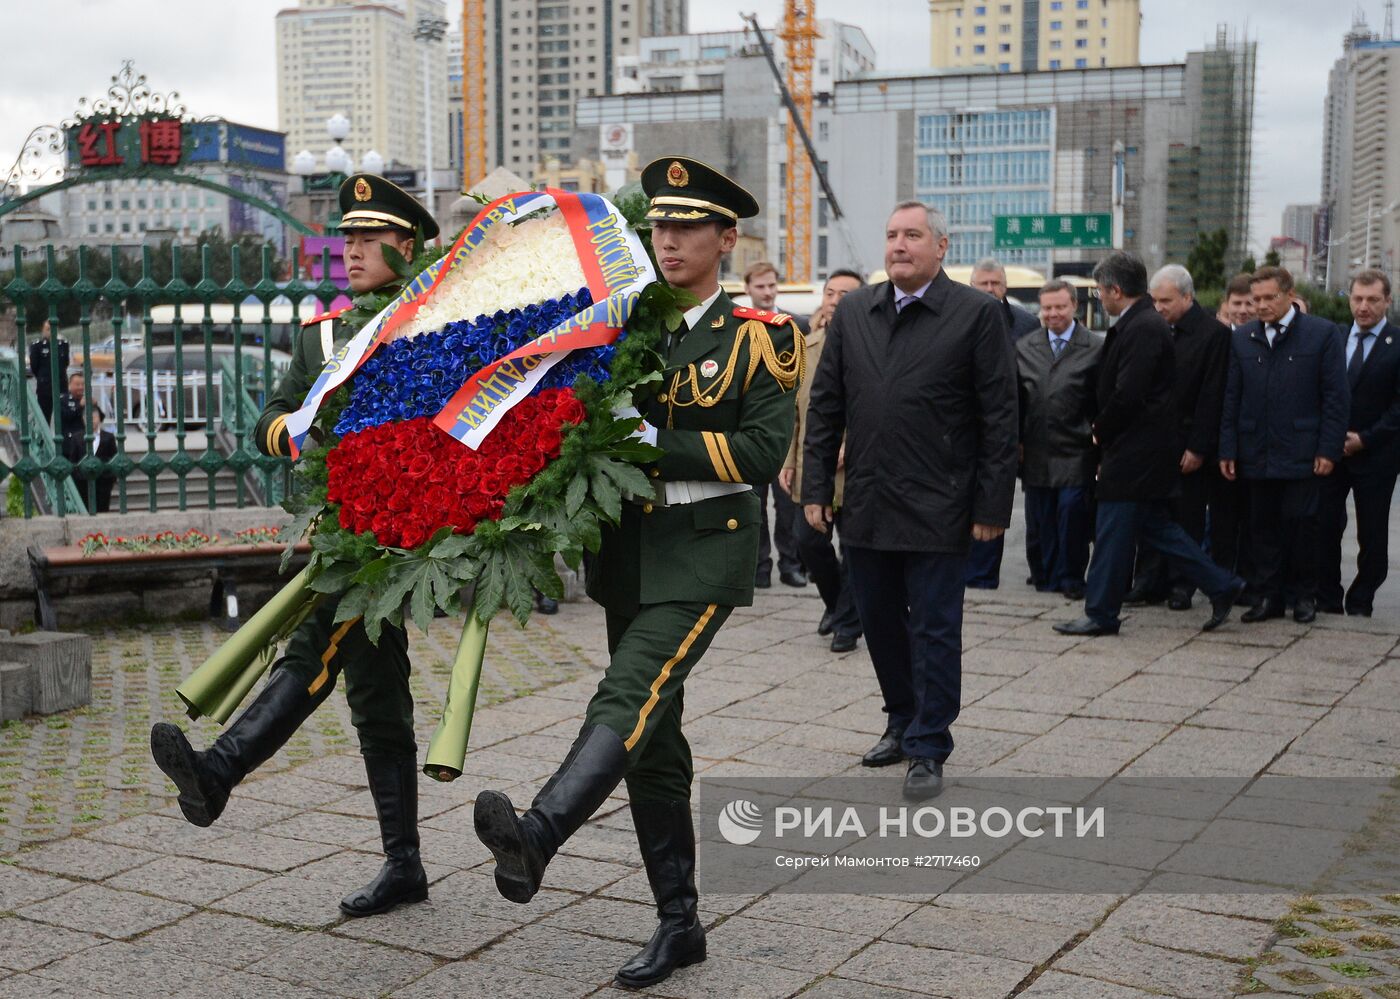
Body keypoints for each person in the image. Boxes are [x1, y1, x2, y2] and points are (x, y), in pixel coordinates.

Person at [472, 157, 801, 990]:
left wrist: (653, 446)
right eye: (661, 225)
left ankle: (541, 830)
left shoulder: (762, 338)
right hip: (626, 554)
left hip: (702, 549)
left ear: (728, 239)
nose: (670, 238)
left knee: (629, 694)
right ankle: (679, 922)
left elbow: (762, 451)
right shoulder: (621, 326)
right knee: (653, 742)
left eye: (690, 226)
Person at [150, 174, 439, 918]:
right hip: (342, 530)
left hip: (401, 540)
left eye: (370, 238)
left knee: (315, 652)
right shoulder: (321, 336)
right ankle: (403, 864)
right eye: (346, 237)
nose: (353, 249)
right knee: (377, 697)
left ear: (407, 246)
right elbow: (273, 413)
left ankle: (219, 770)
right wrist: (298, 433)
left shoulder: (434, 328)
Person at [803, 201, 1018, 800]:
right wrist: (817, 488)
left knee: (933, 628)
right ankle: (900, 720)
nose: (898, 245)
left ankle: (929, 744)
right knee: (878, 622)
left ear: (941, 247)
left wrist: (991, 508)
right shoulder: (856, 314)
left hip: (939, 503)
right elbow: (826, 408)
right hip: (868, 500)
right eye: (892, 234)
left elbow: (1000, 417)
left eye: (912, 235)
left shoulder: (976, 314)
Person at [1055, 252, 1245, 637]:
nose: (1100, 300)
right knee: (1158, 529)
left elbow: (1129, 393)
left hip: (1135, 452)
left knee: (1111, 533)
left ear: (1115, 290)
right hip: (1143, 450)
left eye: (1100, 292)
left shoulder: (1142, 327)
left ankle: (1101, 612)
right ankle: (1222, 584)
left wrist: (1099, 430)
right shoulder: (1142, 323)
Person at [1219, 266, 1348, 624]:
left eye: (1268, 298)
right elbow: (1232, 396)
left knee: (1302, 525)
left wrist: (1328, 449)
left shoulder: (1321, 334)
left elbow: (1336, 397)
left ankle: (1304, 596)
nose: (1260, 305)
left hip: (1302, 450)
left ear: (1289, 295)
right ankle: (1267, 597)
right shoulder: (1242, 337)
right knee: (1261, 527)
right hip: (1255, 450)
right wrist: (1228, 448)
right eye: (1255, 298)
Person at [1125, 264, 1234, 610]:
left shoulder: (1213, 334)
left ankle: (1181, 585)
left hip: (1188, 442)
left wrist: (1198, 447)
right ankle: (1147, 581)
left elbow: (1211, 395)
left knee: (1185, 517)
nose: (1158, 307)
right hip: (1153, 444)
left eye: (1166, 300)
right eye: (1154, 300)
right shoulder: (1152, 328)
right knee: (1150, 515)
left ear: (1188, 297)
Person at [780, 268, 864, 653]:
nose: (834, 300)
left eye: (845, 294)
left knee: (856, 549)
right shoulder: (807, 348)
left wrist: (850, 442)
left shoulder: (872, 348)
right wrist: (789, 460)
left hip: (859, 468)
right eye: (830, 293)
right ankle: (837, 604)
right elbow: (796, 412)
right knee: (808, 542)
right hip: (812, 465)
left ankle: (848, 624)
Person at [1319, 270, 1399, 617]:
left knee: (1372, 534)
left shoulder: (1397, 343)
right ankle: (1328, 596)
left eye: (1372, 300)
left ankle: (1361, 598)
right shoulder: (1333, 337)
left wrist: (1364, 439)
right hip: (1332, 453)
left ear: (1387, 302)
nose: (1364, 307)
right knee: (1324, 526)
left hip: (1376, 456)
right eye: (1357, 299)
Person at [1017, 279, 1102, 600]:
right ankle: (1045, 575)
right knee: (1040, 520)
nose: (1052, 314)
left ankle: (1071, 576)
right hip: (1036, 448)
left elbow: (1102, 400)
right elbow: (1016, 400)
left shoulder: (1094, 347)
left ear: (1074, 307)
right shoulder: (1025, 348)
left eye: (1059, 307)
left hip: (1077, 449)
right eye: (1047, 308)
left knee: (1071, 516)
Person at [966, 258, 1040, 589]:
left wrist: (1022, 436)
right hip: (963, 428)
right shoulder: (956, 319)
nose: (990, 290)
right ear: (971, 286)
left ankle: (983, 578)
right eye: (983, 284)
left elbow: (1033, 385)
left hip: (1008, 428)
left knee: (992, 499)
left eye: (995, 283)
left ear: (1005, 286)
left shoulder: (1026, 324)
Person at [746, 261, 806, 589]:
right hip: (752, 431)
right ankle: (759, 568)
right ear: (749, 289)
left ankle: (790, 564)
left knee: (788, 505)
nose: (767, 292)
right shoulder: (739, 327)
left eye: (771, 286)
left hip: (785, 430)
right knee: (753, 505)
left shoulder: (796, 325)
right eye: (760, 287)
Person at [73, 405, 117, 514]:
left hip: (103, 484)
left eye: (93, 418)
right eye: (87, 418)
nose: (91, 421)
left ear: (99, 419)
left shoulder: (108, 437)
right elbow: (73, 461)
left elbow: (114, 459)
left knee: (103, 511)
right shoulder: (77, 438)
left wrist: (109, 479)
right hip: (83, 484)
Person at [28, 319, 68, 425]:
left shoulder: (63, 344)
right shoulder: (37, 345)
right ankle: (43, 441)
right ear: (43, 330)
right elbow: (34, 367)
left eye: (53, 329)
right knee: (44, 419)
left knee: (64, 417)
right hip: (45, 388)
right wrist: (43, 378)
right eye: (48, 329)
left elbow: (65, 363)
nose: (51, 332)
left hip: (61, 386)